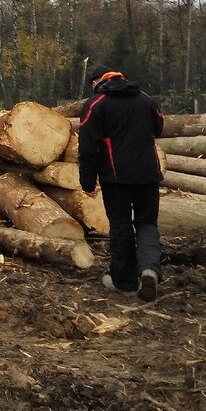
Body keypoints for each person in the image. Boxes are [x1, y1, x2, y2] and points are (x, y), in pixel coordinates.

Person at [79, 64, 164, 301]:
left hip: (115, 178)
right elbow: (159, 128)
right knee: (147, 223)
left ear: (97, 83)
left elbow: (87, 148)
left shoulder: (96, 104)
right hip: (148, 174)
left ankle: (124, 282)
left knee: (120, 225)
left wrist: (87, 182)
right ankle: (149, 270)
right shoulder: (145, 99)